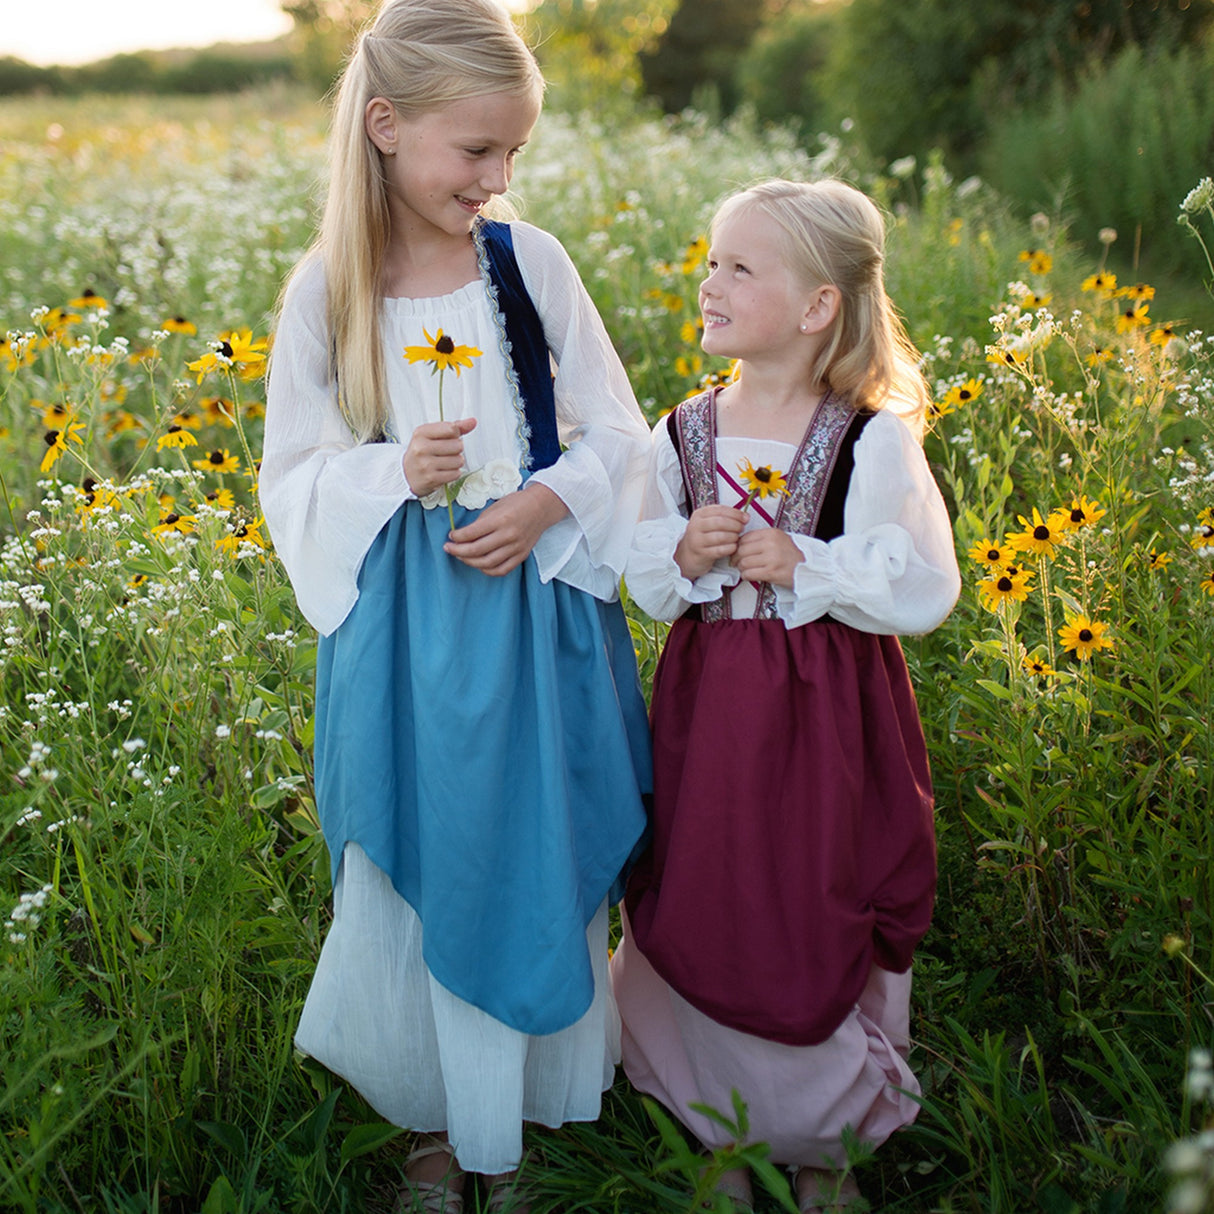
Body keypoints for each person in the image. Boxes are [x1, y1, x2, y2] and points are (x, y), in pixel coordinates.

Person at [258, 2, 652, 1210]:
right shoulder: (330, 286)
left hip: (532, 615)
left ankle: (515, 1117)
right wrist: (394, 468)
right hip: (405, 634)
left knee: (526, 842)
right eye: (473, 151)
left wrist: (545, 502)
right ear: (385, 127)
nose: (495, 177)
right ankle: (432, 1122)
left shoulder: (529, 266)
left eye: (511, 154)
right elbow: (293, 472)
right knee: (416, 856)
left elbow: (618, 430)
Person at [611, 178, 961, 1213]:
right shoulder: (679, 431)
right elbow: (641, 571)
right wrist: (685, 549)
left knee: (816, 888)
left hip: (826, 722)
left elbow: (917, 578)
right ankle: (725, 1123)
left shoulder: (867, 437)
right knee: (710, 890)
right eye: (710, 259)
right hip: (711, 716)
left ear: (816, 306)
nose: (710, 282)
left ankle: (824, 1138)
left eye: (739, 266)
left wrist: (803, 560)